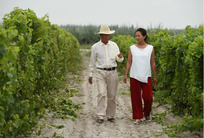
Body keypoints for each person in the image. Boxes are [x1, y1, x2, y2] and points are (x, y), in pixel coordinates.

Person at [88, 25, 124, 123]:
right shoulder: (95, 47)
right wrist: (90, 74)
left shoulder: (114, 45)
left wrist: (120, 57)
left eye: (108, 35)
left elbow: (119, 60)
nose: (106, 37)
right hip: (100, 72)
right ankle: (100, 115)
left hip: (112, 72)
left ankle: (110, 115)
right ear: (101, 35)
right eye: (104, 35)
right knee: (101, 93)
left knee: (112, 95)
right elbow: (92, 61)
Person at [123, 28, 157, 124]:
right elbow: (129, 62)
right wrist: (126, 74)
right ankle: (138, 117)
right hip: (134, 76)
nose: (137, 37)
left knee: (148, 97)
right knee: (135, 98)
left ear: (144, 36)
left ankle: (147, 113)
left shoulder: (150, 48)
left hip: (146, 76)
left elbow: (153, 63)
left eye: (139, 35)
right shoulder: (132, 48)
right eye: (136, 35)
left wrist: (155, 76)